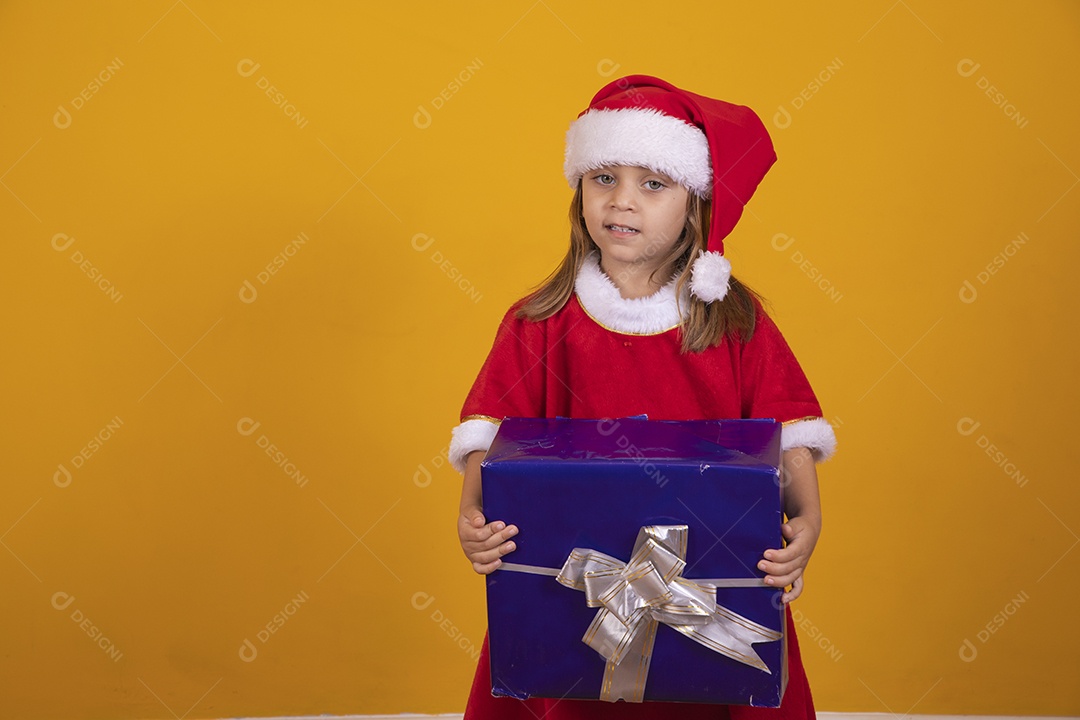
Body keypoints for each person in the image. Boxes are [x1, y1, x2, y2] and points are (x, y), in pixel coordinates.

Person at [449, 75, 837, 720]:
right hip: (567, 591)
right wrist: (471, 517)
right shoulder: (536, 323)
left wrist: (808, 523)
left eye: (653, 183)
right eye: (603, 178)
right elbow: (488, 438)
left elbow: (790, 436)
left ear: (695, 204)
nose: (621, 200)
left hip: (713, 589)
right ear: (579, 191)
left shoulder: (737, 324)